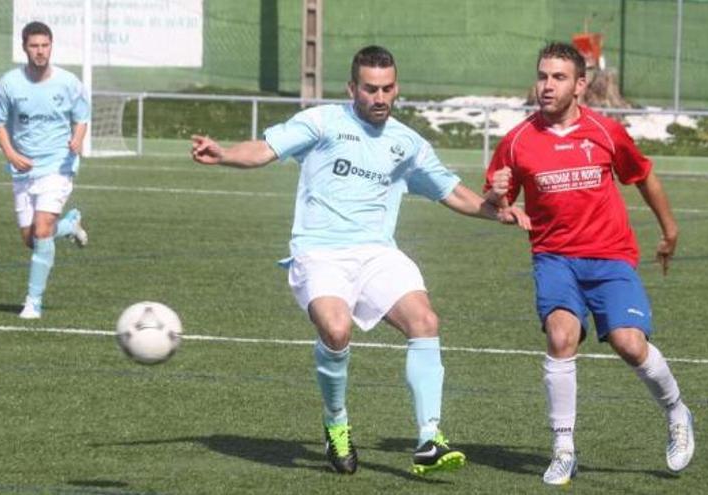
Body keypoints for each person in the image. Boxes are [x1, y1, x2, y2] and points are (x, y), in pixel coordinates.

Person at [191, 45, 529, 476]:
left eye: (388, 88)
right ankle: (336, 422)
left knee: (424, 321)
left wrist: (497, 211)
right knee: (336, 330)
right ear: (353, 87)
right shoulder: (322, 121)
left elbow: (452, 191)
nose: (380, 97)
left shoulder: (408, 143)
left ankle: (430, 438)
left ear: (397, 87)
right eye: (370, 89)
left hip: (376, 252)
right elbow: (266, 148)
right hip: (319, 251)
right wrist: (224, 155)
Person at [485, 42, 695, 486]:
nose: (547, 85)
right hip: (554, 258)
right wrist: (498, 197)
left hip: (609, 256)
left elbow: (643, 175)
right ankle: (564, 448)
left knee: (629, 343)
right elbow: (499, 202)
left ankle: (677, 411)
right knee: (561, 338)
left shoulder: (605, 132)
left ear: (580, 85)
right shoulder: (517, 140)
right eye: (542, 75)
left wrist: (669, 229)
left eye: (558, 77)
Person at [0, 21, 90, 320]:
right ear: (25, 48)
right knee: (31, 239)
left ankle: (33, 302)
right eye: (34, 46)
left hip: (58, 165)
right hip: (23, 168)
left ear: (51, 46)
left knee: (42, 228)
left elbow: (82, 116)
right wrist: (11, 152)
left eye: (45, 45)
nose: (40, 51)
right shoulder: (9, 83)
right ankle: (70, 226)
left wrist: (77, 138)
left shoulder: (68, 82)